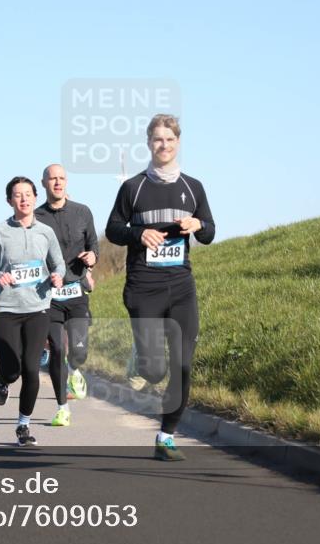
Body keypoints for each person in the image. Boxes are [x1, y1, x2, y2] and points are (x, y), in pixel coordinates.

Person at [105, 114, 215, 461]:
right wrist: (138, 233)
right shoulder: (133, 188)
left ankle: (166, 435)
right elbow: (112, 229)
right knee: (155, 370)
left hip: (181, 286)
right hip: (144, 287)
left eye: (169, 139)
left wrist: (198, 223)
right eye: (157, 139)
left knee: (183, 365)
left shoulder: (193, 187)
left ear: (178, 142)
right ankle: (142, 359)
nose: (163, 145)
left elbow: (209, 233)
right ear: (148, 143)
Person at [0, 176, 65, 446]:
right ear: (9, 201)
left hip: (37, 308)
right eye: (18, 195)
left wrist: (58, 276)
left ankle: (23, 426)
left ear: (35, 198)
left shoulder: (46, 232)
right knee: (13, 369)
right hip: (5, 309)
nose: (24, 199)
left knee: (31, 369)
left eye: (28, 194)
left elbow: (58, 263)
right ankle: (3, 381)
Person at [34, 164, 98, 427]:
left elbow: (94, 244)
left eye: (61, 178)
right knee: (58, 349)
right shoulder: (35, 217)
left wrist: (93, 257)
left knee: (79, 352)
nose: (57, 183)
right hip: (49, 296)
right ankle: (63, 408)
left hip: (77, 291)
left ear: (66, 182)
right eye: (52, 179)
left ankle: (75, 371)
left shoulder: (82, 211)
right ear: (44, 183)